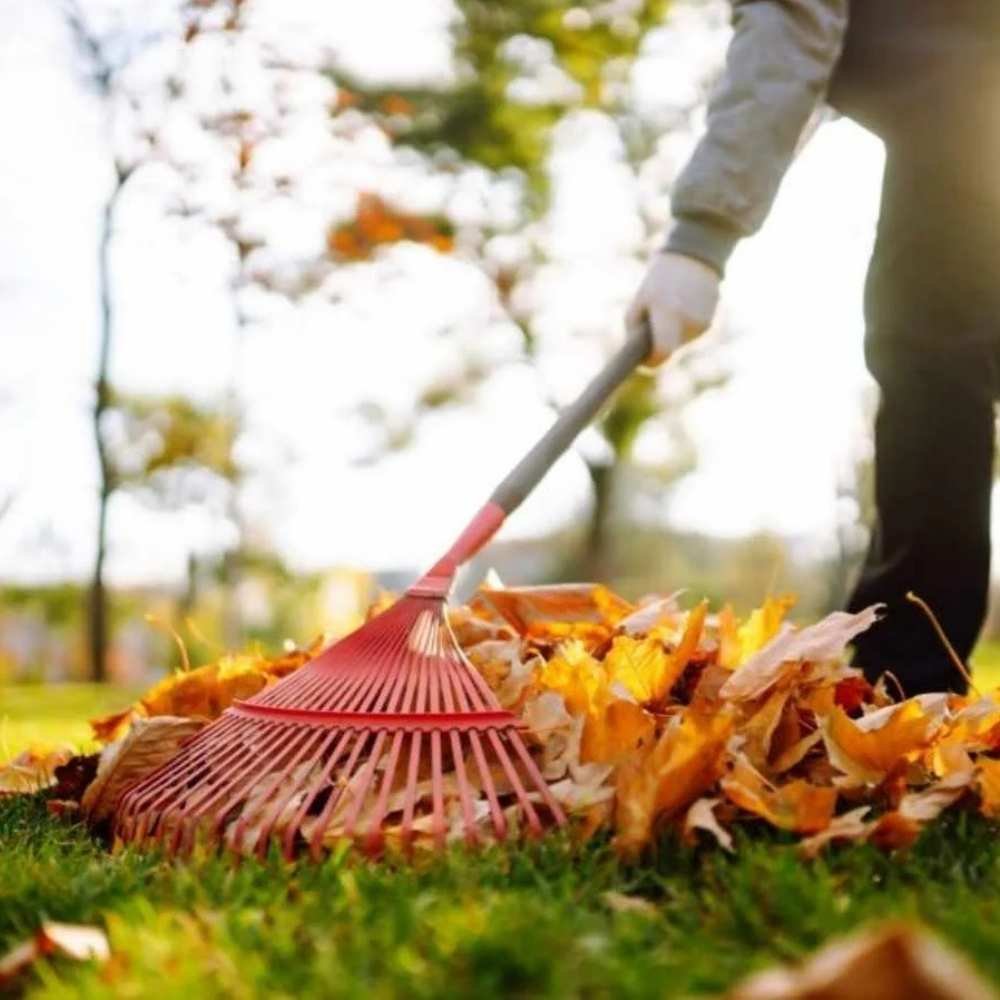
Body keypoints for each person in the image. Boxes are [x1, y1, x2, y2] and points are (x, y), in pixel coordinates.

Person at [626, 0, 1000, 696]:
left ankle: (907, 682)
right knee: (933, 350)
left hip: (969, 101)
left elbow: (790, 26)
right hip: (960, 107)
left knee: (933, 357)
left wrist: (701, 237)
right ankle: (905, 677)